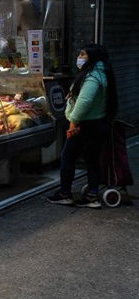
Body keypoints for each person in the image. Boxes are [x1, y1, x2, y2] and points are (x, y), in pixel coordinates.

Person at [47, 44, 118, 208]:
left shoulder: (93, 77)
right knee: (92, 160)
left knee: (68, 158)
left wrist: (73, 123)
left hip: (85, 126)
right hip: (97, 123)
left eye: (83, 54)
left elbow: (85, 102)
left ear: (92, 57)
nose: (79, 57)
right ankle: (92, 195)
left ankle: (65, 193)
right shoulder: (102, 73)